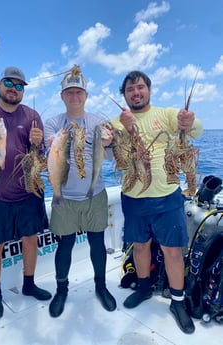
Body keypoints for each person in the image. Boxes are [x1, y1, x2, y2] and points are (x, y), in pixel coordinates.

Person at [111, 71, 203, 334]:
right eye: (130, 89)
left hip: (167, 197)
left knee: (172, 251)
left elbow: (196, 131)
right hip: (133, 197)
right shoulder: (118, 121)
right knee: (139, 247)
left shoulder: (166, 115)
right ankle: (142, 288)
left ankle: (177, 301)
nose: (136, 92)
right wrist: (110, 136)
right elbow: (109, 151)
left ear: (149, 90)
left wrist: (190, 121)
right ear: (125, 94)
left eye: (140, 87)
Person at [0, 66, 51, 320]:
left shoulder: (32, 115)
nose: (13, 89)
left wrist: (40, 144)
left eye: (19, 86)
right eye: (9, 83)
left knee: (30, 239)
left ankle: (29, 283)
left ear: (23, 91)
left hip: (28, 192)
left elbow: (41, 157)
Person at [44, 66, 117, 318]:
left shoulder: (97, 122)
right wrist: (53, 144)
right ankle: (61, 290)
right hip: (64, 196)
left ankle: (101, 286)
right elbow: (49, 158)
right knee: (65, 245)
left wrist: (109, 141)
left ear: (85, 96)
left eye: (78, 92)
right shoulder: (53, 123)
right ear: (62, 96)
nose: (74, 97)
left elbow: (107, 155)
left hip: (95, 195)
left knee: (97, 242)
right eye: (69, 93)